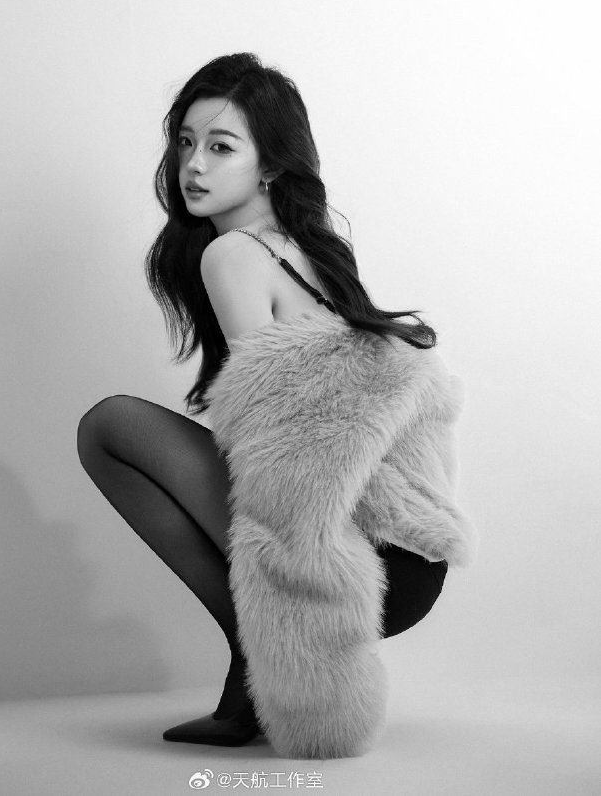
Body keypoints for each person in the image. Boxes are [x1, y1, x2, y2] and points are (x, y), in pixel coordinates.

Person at [77, 52, 449, 747]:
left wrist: (293, 587)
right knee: (143, 434)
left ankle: (254, 660)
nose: (194, 166)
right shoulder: (308, 248)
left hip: (355, 566)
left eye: (221, 147)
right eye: (186, 142)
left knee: (109, 427)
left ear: (271, 165)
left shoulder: (233, 255)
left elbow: (274, 449)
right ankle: (251, 661)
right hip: (411, 560)